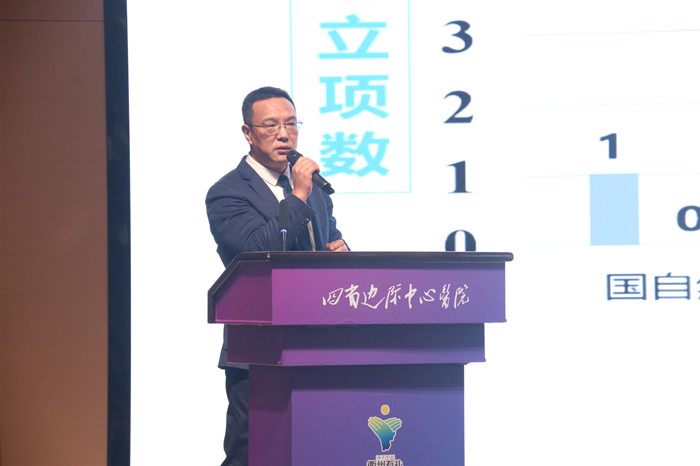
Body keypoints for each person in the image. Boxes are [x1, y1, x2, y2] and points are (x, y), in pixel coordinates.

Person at [206, 86, 348, 466]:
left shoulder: (314, 191)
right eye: (271, 126)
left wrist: (341, 252)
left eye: (291, 124)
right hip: (258, 350)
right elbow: (258, 250)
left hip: (317, 343)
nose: (284, 135)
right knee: (251, 453)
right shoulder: (227, 193)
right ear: (248, 133)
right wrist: (297, 197)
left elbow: (328, 242)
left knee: (316, 451)